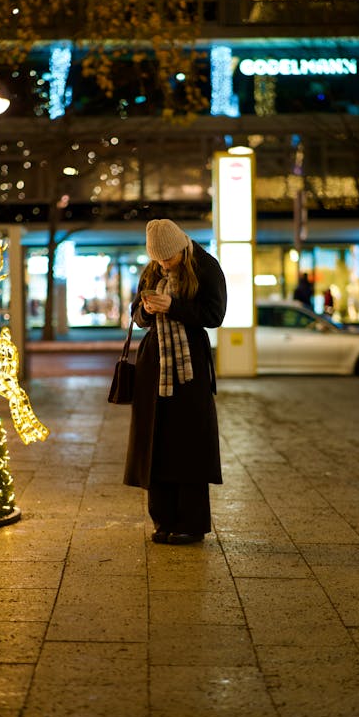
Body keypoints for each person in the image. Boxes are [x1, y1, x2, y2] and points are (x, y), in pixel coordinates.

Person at [123, 219, 227, 545]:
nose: (163, 264)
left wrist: (174, 307)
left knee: (190, 444)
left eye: (168, 258)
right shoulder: (152, 269)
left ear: (181, 247)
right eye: (158, 259)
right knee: (157, 442)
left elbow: (214, 315)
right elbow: (135, 316)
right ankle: (163, 520)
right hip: (154, 367)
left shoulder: (206, 266)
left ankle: (191, 524)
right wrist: (146, 309)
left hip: (189, 368)